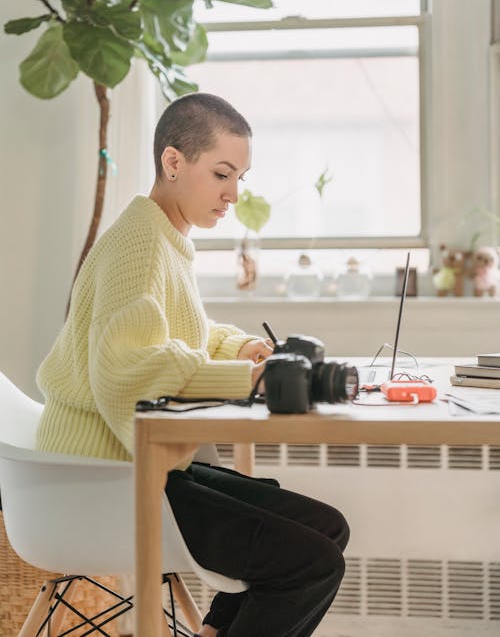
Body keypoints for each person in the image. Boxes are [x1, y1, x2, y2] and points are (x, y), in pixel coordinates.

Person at [36, 93, 349, 637]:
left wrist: (237, 350)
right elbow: (127, 369)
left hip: (132, 464)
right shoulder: (140, 243)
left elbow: (179, 335)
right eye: (222, 174)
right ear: (174, 162)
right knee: (308, 561)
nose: (232, 195)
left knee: (324, 527)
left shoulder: (164, 236)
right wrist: (247, 381)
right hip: (100, 477)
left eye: (240, 178)